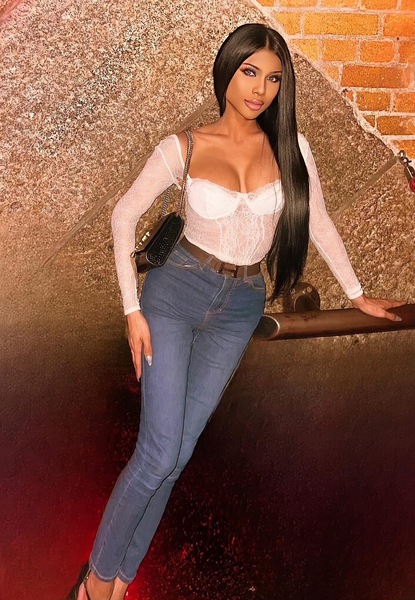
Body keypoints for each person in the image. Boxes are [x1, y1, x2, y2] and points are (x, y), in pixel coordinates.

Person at [67, 22, 405, 600]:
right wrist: (131, 310)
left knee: (178, 455)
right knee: (157, 452)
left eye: (273, 79)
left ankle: (122, 581)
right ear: (227, 71)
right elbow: (124, 217)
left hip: (239, 306)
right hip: (174, 295)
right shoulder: (185, 146)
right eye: (250, 72)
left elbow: (318, 222)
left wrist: (356, 295)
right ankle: (95, 584)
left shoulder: (292, 148)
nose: (260, 90)